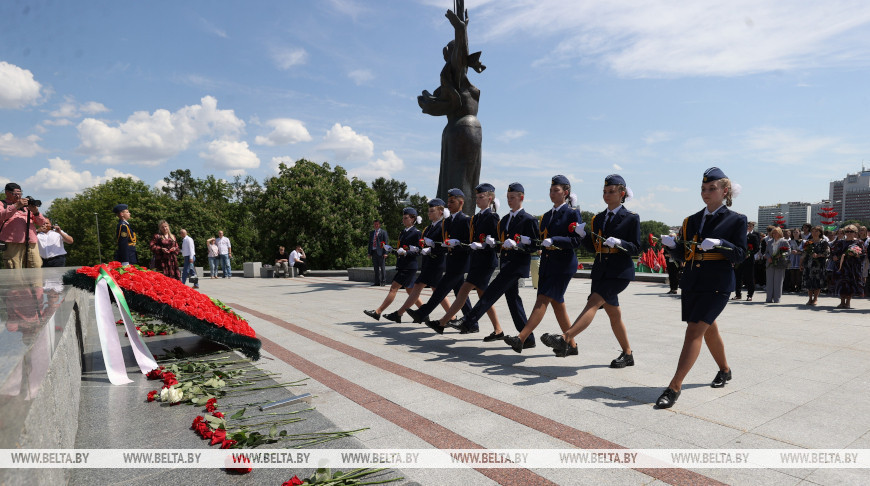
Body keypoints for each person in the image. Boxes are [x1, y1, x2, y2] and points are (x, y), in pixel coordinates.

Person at [656, 167, 746, 409]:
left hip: (717, 284)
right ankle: (725, 370)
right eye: (703, 189)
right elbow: (683, 256)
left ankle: (674, 386)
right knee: (708, 329)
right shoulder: (691, 220)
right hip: (693, 281)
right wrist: (672, 246)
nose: (706, 192)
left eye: (712, 188)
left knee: (695, 331)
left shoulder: (736, 219)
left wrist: (720, 243)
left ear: (725, 191)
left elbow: (740, 255)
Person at [541, 174, 640, 367]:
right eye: (604, 192)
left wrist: (620, 243)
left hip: (619, 272)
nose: (606, 195)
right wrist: (583, 235)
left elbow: (636, 248)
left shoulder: (631, 218)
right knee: (614, 315)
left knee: (593, 303)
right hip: (601, 271)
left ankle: (565, 338)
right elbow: (593, 247)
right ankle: (627, 354)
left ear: (622, 194)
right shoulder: (599, 218)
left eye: (611, 191)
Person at [448, 183, 540, 343]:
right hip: (506, 263)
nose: (509, 200)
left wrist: (518, 244)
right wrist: (491, 243)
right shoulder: (504, 220)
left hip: (517, 265)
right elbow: (500, 244)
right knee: (513, 300)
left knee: (491, 292)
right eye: (508, 198)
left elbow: (535, 246)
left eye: (513, 197)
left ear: (521, 198)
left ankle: (468, 320)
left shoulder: (528, 219)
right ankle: (528, 338)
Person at [503, 175, 582, 353]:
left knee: (543, 299)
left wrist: (555, 240)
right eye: (551, 191)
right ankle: (572, 345)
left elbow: (576, 241)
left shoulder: (572, 213)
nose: (552, 194)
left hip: (563, 264)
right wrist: (525, 241)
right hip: (548, 263)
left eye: (556, 191)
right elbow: (540, 240)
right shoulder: (546, 216)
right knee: (557, 304)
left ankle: (521, 338)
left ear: (566, 193)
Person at [425, 183, 502, 335]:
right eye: (477, 197)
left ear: (490, 199)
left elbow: (497, 241)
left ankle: (445, 322)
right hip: (477, 260)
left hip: (486, 262)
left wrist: (487, 243)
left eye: (481, 197)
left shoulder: (493, 217)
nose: (478, 200)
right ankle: (497, 330)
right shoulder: (476, 217)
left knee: (465, 289)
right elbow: (471, 239)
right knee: (481, 295)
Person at [379, 199, 453, 323]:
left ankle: (400, 313)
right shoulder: (429, 227)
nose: (428, 213)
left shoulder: (443, 226)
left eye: (431, 211)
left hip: (437, 263)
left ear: (441, 212)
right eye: (428, 211)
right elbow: (421, 245)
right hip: (428, 263)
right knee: (426, 289)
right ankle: (402, 313)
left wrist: (431, 248)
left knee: (433, 290)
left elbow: (446, 245)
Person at [406, 189, 473, 325]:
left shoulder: (466, 220)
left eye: (452, 201)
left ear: (461, 202)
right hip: (451, 261)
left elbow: (469, 243)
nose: (449, 204)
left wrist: (458, 243)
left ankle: (422, 313)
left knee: (441, 290)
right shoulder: (447, 222)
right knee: (461, 293)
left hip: (461, 262)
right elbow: (444, 242)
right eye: (448, 201)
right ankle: (471, 322)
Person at [364, 208, 424, 320]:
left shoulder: (417, 233)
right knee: (410, 291)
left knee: (393, 288)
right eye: (403, 218)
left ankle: (378, 312)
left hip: (409, 266)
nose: (403, 220)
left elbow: (419, 250)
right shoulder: (403, 232)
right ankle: (424, 314)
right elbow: (400, 249)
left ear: (413, 219)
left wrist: (406, 252)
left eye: (406, 218)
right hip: (403, 264)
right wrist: (391, 249)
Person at [1, 183, 46, 269]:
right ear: (7, 193)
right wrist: (16, 206)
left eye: (20, 193)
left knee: (36, 268)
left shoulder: (26, 207)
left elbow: (41, 223)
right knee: (14, 270)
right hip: (12, 243)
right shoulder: (2, 204)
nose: (18, 196)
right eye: (15, 194)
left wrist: (36, 212)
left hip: (31, 243)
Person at [831, 224, 864, 309]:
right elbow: (833, 251)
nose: (849, 233)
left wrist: (856, 254)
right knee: (842, 283)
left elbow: (863, 254)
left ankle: (848, 302)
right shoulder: (840, 242)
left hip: (853, 267)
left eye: (851, 231)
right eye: (847, 231)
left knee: (850, 284)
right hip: (841, 266)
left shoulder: (859, 242)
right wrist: (834, 256)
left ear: (855, 233)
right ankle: (842, 302)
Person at [801, 226, 829, 306]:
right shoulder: (808, 242)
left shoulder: (824, 242)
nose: (814, 233)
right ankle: (810, 298)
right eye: (813, 231)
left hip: (819, 265)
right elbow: (804, 253)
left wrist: (819, 255)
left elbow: (827, 253)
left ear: (820, 232)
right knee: (809, 281)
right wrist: (801, 263)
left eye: (816, 231)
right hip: (809, 264)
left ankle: (815, 298)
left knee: (817, 281)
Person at [732, 221, 759, 301]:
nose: (748, 227)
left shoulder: (754, 235)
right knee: (738, 277)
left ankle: (750, 295)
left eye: (749, 226)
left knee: (749, 277)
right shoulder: (739, 235)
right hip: (739, 259)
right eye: (746, 226)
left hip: (749, 259)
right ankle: (738, 294)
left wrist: (749, 254)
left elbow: (757, 248)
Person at [763, 227, 788, 303]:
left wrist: (781, 255)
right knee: (769, 281)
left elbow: (788, 251)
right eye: (773, 233)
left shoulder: (784, 241)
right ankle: (769, 298)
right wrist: (768, 257)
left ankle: (777, 298)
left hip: (779, 263)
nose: (774, 234)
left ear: (780, 233)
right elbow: (766, 252)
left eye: (775, 232)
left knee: (778, 281)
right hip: (770, 263)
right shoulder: (770, 241)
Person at [368, 220, 389, 286]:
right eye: (375, 224)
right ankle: (377, 282)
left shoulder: (383, 232)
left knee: (382, 268)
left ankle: (383, 281)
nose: (376, 225)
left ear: (379, 225)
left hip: (381, 252)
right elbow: (370, 243)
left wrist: (385, 253)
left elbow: (385, 243)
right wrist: (369, 253)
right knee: (375, 268)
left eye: (377, 224)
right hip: (374, 252)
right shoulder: (372, 233)